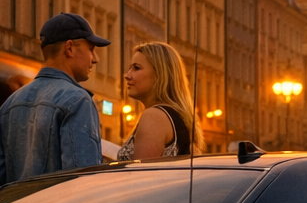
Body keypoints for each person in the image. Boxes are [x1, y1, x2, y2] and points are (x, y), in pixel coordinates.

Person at [0, 13, 109, 184]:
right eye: (91, 49)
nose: (95, 59)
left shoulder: (9, 104)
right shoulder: (77, 100)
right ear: (70, 48)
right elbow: (82, 181)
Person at [117, 42, 203, 161]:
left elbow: (140, 175)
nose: (127, 75)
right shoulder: (175, 116)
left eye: (136, 68)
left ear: (159, 74)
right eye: (129, 68)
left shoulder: (154, 116)